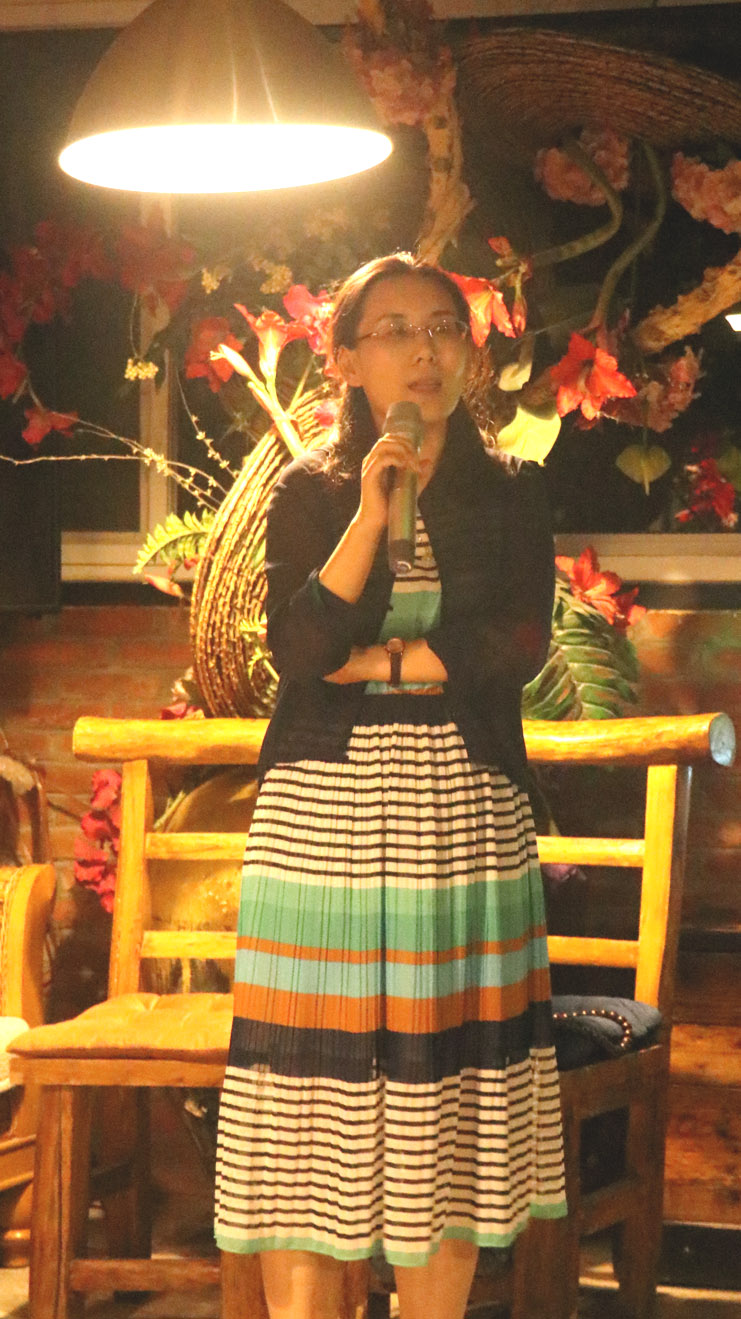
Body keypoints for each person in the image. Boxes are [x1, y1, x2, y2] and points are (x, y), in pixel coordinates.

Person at [214, 252, 567, 1319]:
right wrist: (370, 514)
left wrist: (385, 662)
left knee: (444, 1105)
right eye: (395, 330)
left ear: (470, 353)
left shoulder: (512, 493)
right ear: (347, 360)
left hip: (463, 805)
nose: (423, 350)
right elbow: (299, 647)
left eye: (443, 327)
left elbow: (516, 640)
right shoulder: (308, 491)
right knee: (306, 1106)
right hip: (319, 817)